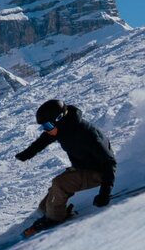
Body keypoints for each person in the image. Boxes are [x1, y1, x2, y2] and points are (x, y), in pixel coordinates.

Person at [15, 99, 116, 235]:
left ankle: (54, 218)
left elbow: (109, 162)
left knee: (60, 183)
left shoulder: (87, 134)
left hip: (99, 173)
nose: (46, 129)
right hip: (82, 168)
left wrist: (105, 193)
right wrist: (27, 154)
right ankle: (48, 212)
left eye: (48, 125)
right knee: (44, 205)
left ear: (59, 119)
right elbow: (44, 139)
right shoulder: (63, 128)